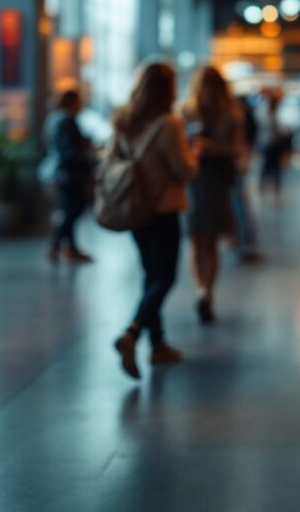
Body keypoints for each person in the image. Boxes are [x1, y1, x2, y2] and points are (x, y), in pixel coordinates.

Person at [110, 62, 199, 380]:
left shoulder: (124, 120)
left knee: (151, 275)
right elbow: (184, 171)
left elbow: (112, 161)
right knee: (165, 278)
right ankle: (132, 333)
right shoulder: (168, 124)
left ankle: (158, 345)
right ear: (168, 89)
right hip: (162, 209)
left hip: (134, 208)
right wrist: (195, 154)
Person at [182, 66, 244, 323]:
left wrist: (210, 148)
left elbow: (238, 149)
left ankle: (203, 290)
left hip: (205, 181)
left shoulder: (191, 111)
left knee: (201, 241)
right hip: (207, 181)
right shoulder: (226, 113)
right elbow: (239, 150)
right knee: (206, 241)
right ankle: (205, 291)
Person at [44, 89, 94, 263]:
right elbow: (70, 150)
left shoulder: (54, 118)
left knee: (69, 210)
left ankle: (69, 247)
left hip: (61, 171)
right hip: (70, 173)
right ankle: (56, 244)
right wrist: (85, 149)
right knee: (73, 209)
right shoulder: (66, 120)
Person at [231, 95, 259, 262]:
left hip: (233, 167)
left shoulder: (236, 115)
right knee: (239, 204)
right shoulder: (236, 114)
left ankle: (244, 242)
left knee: (239, 204)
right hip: (232, 167)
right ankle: (243, 242)